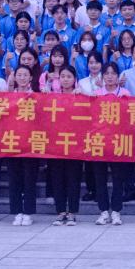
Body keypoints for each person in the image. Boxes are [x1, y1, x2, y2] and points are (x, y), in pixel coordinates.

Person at [92, 63, 129, 226]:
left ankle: (116, 211)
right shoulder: (96, 94)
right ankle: (103, 211)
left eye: (113, 73)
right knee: (100, 178)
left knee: (118, 178)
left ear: (118, 76)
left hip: (118, 141)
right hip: (99, 141)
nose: (110, 76)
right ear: (102, 76)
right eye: (106, 73)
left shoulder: (125, 93)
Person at [49, 66, 82, 226]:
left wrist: (84, 94)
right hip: (56, 144)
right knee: (57, 179)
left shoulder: (80, 96)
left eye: (69, 76)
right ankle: (60, 211)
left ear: (74, 79)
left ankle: (72, 213)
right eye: (62, 76)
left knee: (73, 179)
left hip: (75, 144)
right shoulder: (52, 97)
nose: (66, 79)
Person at [8, 65, 39, 226]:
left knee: (29, 178)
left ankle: (28, 212)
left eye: (25, 75)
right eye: (19, 75)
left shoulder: (37, 96)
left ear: (30, 77)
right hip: (12, 141)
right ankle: (17, 211)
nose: (22, 78)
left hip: (31, 142)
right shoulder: (8, 96)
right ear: (15, 77)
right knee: (14, 179)